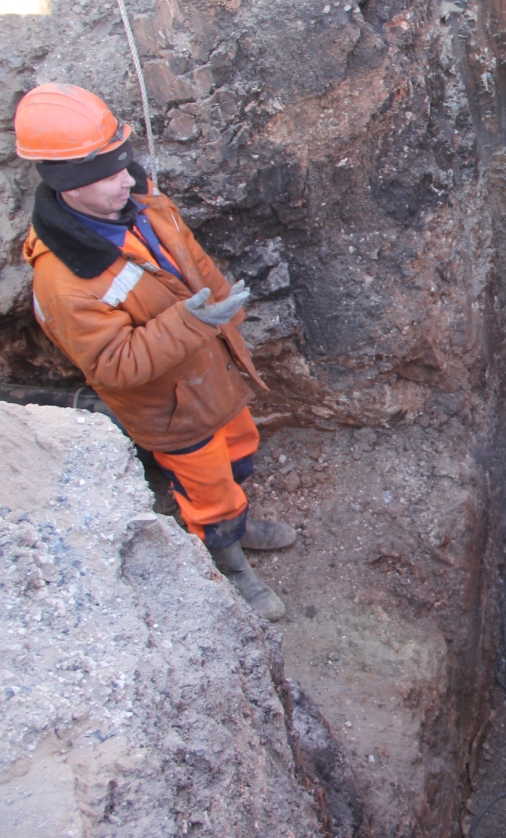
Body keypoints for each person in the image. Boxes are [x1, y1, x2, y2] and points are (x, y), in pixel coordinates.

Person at [15, 83, 293, 620]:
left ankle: (239, 523)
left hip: (212, 371)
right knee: (205, 487)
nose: (128, 178)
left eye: (126, 163)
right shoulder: (65, 281)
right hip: (170, 406)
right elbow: (114, 366)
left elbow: (190, 259)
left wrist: (226, 316)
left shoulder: (142, 202)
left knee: (238, 448)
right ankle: (230, 562)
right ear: (67, 184)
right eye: (109, 173)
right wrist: (191, 322)